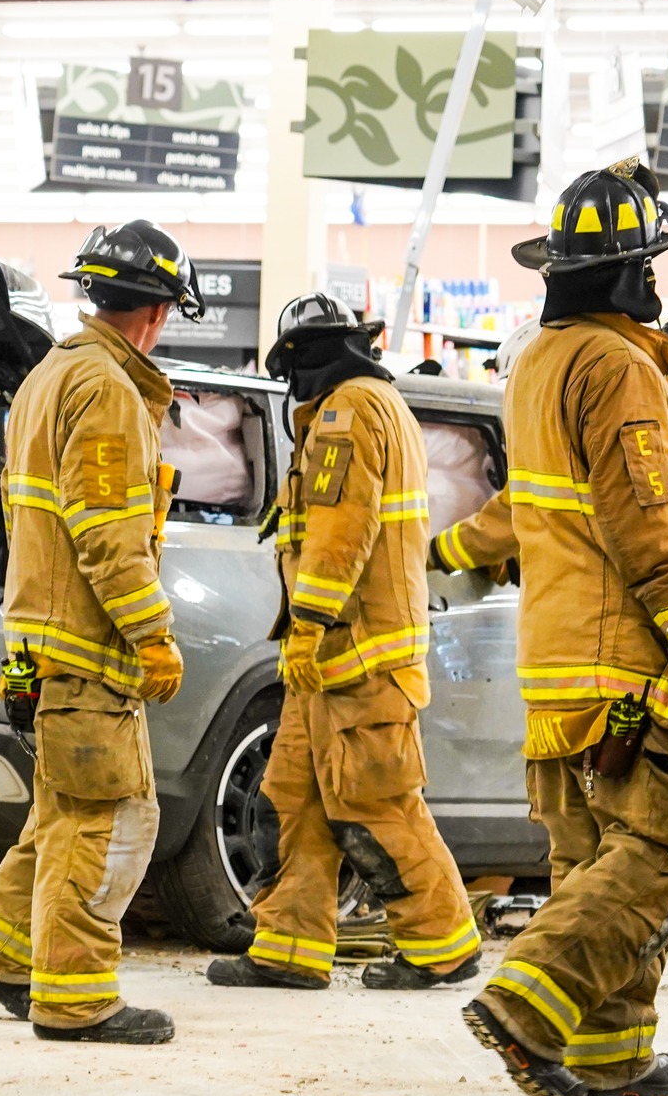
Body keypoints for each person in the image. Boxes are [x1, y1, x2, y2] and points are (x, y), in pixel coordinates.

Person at [457, 161, 668, 1096]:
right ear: (631, 272)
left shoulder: (543, 359)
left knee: (594, 858)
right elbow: (650, 524)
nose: (658, 285)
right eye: (651, 270)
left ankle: (609, 1056)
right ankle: (525, 1007)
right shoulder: (619, 369)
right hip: (625, 666)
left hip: (557, 667)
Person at [428, 290, 668, 953]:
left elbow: (527, 516)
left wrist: (438, 553)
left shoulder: (574, 385)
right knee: (665, 808)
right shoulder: (606, 373)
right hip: (631, 645)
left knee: (624, 832)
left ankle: (577, 970)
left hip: (595, 654)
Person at [0, 220, 203, 1046]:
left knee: (62, 811)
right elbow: (108, 533)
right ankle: (76, 996)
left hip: (37, 644)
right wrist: (151, 632)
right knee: (111, 818)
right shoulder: (106, 389)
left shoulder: (48, 376)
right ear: (157, 312)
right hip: (85, 650)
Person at [205, 294, 481, 992]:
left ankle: (442, 942)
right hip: (332, 663)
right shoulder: (374, 405)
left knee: (376, 804)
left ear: (304, 358)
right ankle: (289, 946)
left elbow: (339, 534)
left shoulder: (346, 413)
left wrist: (307, 627)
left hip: (357, 658)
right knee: (292, 796)